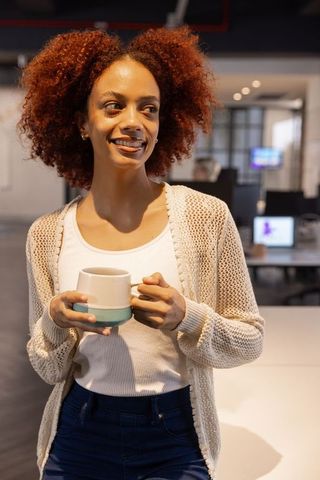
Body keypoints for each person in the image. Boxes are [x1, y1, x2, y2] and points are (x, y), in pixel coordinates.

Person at [19, 26, 264, 480]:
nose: (134, 121)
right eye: (113, 105)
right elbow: (48, 367)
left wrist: (186, 317)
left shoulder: (205, 217)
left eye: (148, 109)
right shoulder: (46, 234)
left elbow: (249, 340)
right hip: (79, 430)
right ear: (80, 121)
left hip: (174, 435)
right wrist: (54, 319)